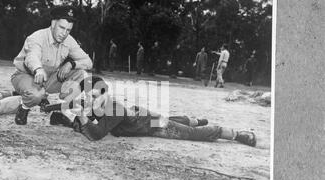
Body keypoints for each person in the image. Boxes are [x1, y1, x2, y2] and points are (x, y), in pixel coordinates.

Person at [48, 76, 257, 147]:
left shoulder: (113, 108)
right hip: (140, 117)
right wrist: (61, 110)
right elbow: (82, 114)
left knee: (187, 134)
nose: (91, 100)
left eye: (95, 96)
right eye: (88, 96)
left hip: (152, 125)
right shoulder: (98, 106)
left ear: (105, 93)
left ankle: (237, 134)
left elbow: (95, 135)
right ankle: (193, 120)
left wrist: (81, 115)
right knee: (174, 122)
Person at [11, 5, 92, 125]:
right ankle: (24, 108)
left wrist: (71, 64)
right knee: (36, 95)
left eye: (68, 30)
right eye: (61, 27)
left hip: (48, 78)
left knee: (82, 75)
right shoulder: (37, 37)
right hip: (25, 75)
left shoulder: (68, 40)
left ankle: (59, 113)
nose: (64, 33)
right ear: (53, 23)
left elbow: (88, 62)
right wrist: (37, 69)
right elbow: (32, 56)